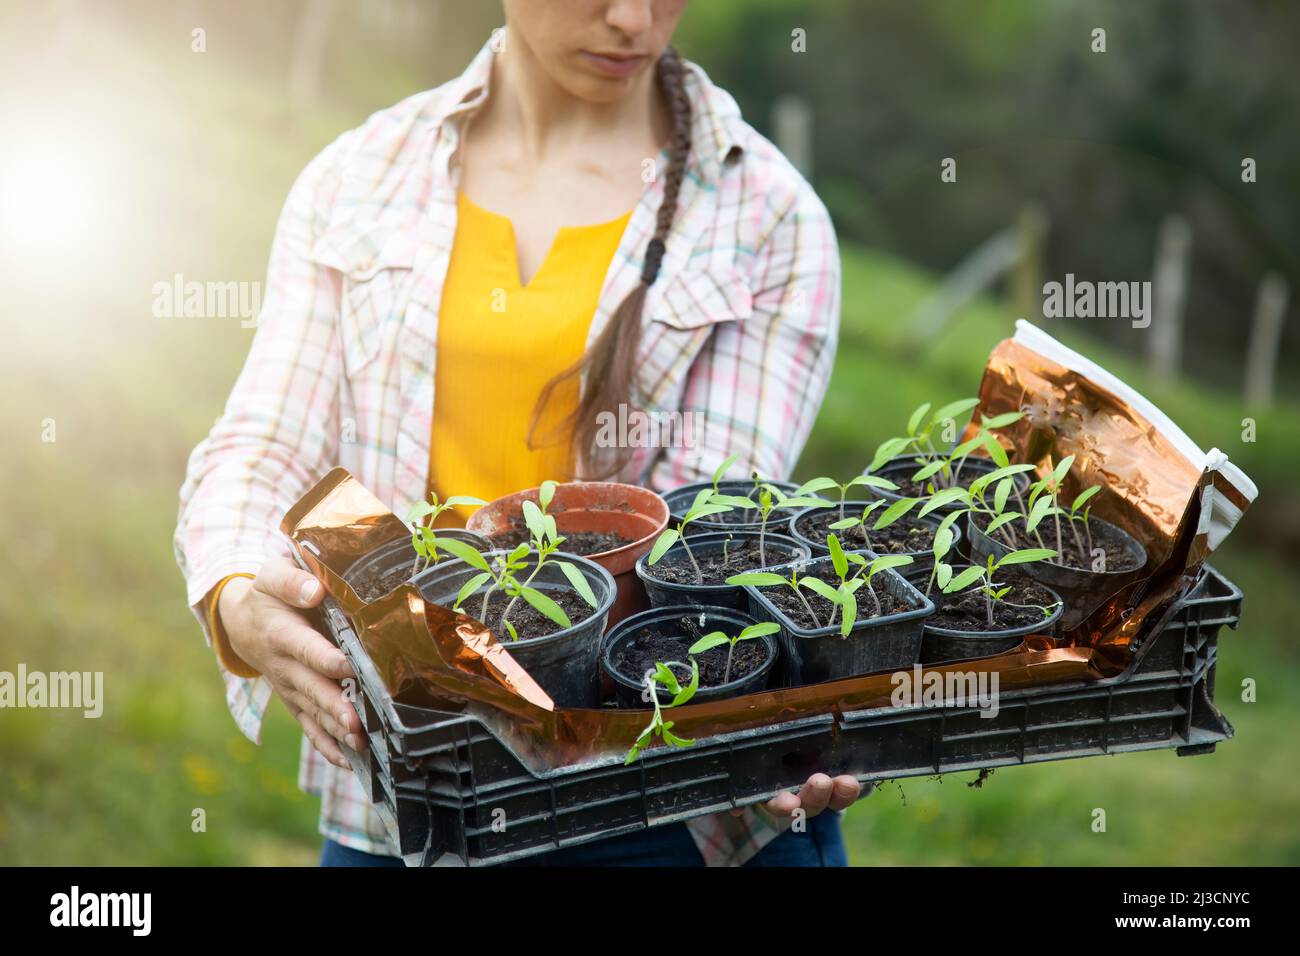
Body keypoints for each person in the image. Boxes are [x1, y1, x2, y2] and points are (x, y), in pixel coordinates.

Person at [175, 0, 854, 867]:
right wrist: (238, 594)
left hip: (660, 811)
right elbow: (259, 449)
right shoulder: (360, 178)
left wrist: (803, 696)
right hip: (410, 802)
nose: (633, 19)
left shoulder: (765, 220)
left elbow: (702, 545)